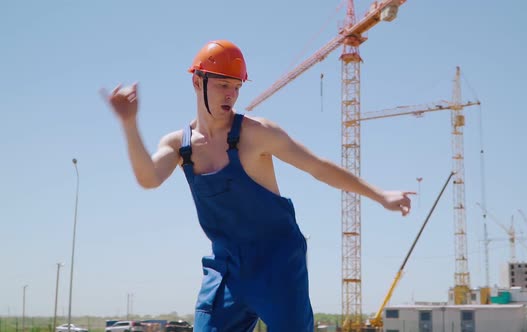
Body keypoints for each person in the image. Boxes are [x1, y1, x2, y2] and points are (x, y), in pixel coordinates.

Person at [104, 39, 414, 332]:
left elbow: (318, 167)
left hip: (278, 262)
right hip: (226, 266)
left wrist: (380, 195)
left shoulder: (259, 134)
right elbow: (149, 178)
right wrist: (129, 124)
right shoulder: (179, 145)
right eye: (224, 84)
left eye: (236, 87)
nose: (231, 94)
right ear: (198, 81)